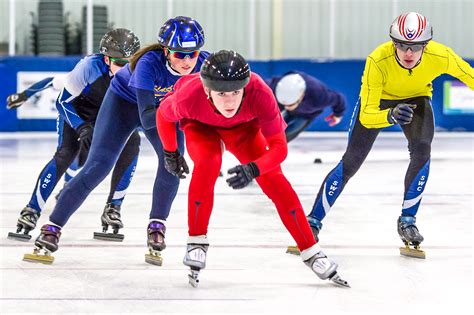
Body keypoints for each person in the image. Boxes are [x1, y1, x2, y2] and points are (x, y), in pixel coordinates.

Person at [23, 16, 208, 266]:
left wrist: (176, 150)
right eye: (179, 54)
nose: (187, 61)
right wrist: (173, 146)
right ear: (166, 51)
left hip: (163, 110)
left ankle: (157, 225)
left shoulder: (205, 65)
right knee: (98, 166)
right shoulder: (148, 63)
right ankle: (51, 228)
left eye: (192, 54)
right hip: (125, 105)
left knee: (171, 167)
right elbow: (146, 115)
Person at [156, 50, 350, 288]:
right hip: (201, 127)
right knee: (208, 163)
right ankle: (196, 241)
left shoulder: (260, 93)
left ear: (245, 88)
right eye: (221, 93)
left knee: (275, 179)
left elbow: (279, 148)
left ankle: (311, 251)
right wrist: (170, 152)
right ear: (207, 90)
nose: (229, 101)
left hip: (244, 130)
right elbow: (163, 116)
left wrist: (254, 169)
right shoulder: (189, 96)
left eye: (236, 92)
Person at [306, 12, 474, 259]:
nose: (408, 53)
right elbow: (368, 115)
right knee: (351, 161)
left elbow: (470, 76)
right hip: (379, 104)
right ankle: (313, 222)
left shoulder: (441, 56)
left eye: (415, 47)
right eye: (402, 45)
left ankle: (408, 221)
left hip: (417, 99)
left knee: (422, 149)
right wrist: (390, 115)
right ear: (393, 43)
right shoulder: (378, 59)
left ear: (425, 47)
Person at [7, 28, 142, 242]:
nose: (125, 68)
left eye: (130, 62)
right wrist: (24, 96)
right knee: (67, 153)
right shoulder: (88, 68)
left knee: (133, 143)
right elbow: (59, 97)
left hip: (107, 117)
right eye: (119, 63)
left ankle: (113, 208)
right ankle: (31, 210)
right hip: (77, 114)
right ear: (106, 59)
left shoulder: (139, 71)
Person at [267, 71, 346, 142]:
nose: (286, 107)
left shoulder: (318, 96)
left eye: (290, 105)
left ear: (301, 96)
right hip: (278, 99)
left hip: (306, 115)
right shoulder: (276, 86)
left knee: (284, 135)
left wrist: (338, 115)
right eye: (285, 105)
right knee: (269, 129)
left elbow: (338, 99)